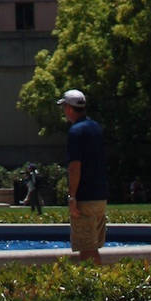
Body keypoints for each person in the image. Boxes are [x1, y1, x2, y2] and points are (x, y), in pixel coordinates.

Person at [61, 88, 107, 263]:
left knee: (87, 248)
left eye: (64, 107)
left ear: (69, 108)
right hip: (100, 195)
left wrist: (72, 196)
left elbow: (75, 167)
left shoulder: (75, 132)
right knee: (92, 246)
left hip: (85, 198)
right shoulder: (96, 128)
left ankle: (95, 286)